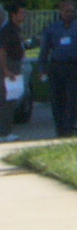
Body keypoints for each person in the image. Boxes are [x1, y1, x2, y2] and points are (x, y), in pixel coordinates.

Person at [36, 0, 77, 139]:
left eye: (72, 11)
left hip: (73, 67)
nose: (69, 14)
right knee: (57, 99)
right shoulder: (52, 28)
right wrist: (41, 69)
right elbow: (44, 50)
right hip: (56, 66)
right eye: (66, 11)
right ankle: (60, 129)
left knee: (72, 99)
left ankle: (70, 128)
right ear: (60, 12)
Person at [0, 7, 26, 141]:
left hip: (15, 65)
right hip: (9, 66)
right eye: (21, 12)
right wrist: (5, 70)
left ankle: (6, 131)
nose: (24, 15)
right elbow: (2, 51)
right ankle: (4, 133)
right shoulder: (8, 30)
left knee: (12, 98)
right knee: (7, 99)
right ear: (13, 15)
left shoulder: (16, 29)